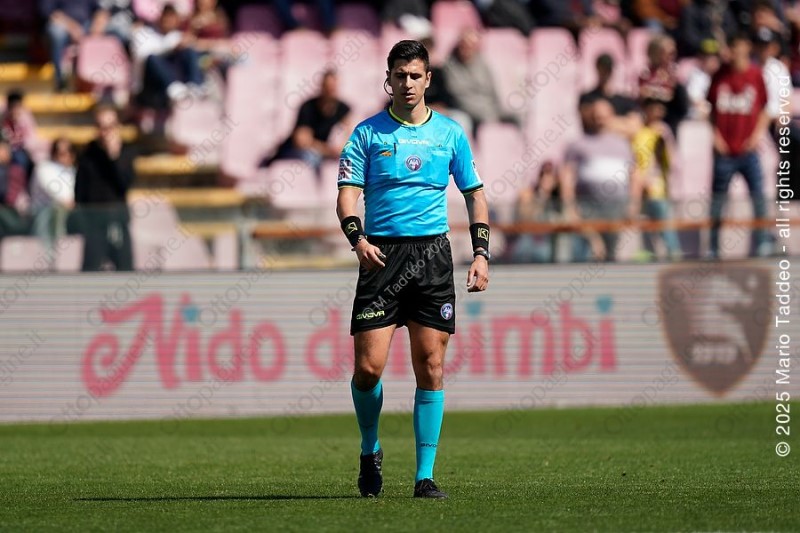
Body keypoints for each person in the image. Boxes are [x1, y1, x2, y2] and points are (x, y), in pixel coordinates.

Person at [336, 40, 490, 499]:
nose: (407, 83)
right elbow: (346, 195)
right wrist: (357, 239)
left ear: (428, 80)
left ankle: (425, 476)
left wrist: (481, 253)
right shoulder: (367, 133)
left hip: (432, 257)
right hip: (380, 256)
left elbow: (474, 194)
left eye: (415, 75)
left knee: (431, 365)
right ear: (389, 78)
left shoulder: (450, 133)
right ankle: (370, 447)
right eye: (400, 75)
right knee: (368, 369)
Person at [707, 32, 771, 258]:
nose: (734, 51)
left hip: (748, 150)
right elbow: (711, 110)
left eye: (739, 46)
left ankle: (763, 244)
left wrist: (755, 136)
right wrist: (715, 136)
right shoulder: (719, 76)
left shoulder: (756, 75)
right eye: (732, 46)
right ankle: (713, 248)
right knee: (717, 202)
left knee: (758, 198)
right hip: (724, 152)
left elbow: (764, 110)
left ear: (747, 47)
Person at [561, 95, 642, 262]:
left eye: (604, 116)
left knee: (612, 257)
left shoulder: (623, 145)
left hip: (616, 209)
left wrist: (634, 204)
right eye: (596, 116)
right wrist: (570, 206)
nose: (600, 120)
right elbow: (567, 176)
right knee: (588, 254)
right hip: (588, 209)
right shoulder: (578, 144)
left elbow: (635, 175)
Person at [74, 105, 135, 271]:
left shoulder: (126, 152)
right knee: (91, 269)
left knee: (125, 270)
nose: (106, 132)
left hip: (117, 220)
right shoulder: (88, 153)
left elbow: (125, 183)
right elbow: (80, 190)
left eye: (110, 126)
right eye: (101, 127)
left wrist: (113, 157)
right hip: (95, 223)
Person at [269, 70, 351, 174]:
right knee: (311, 157)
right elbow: (301, 141)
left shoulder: (343, 109)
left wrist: (341, 149)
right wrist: (328, 150)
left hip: (323, 152)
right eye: (328, 87)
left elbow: (350, 133)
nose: (330, 90)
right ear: (322, 87)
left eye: (333, 87)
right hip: (294, 151)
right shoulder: (308, 107)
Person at [443, 28, 521, 135]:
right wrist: (488, 113)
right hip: (470, 112)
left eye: (471, 45)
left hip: (490, 109)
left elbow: (492, 90)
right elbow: (460, 97)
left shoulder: (482, 62)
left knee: (517, 116)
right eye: (464, 45)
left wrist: (496, 110)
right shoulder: (450, 66)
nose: (467, 49)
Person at [631, 98, 683, 260]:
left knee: (665, 226)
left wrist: (663, 140)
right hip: (642, 189)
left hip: (658, 189)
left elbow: (670, 162)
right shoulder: (640, 133)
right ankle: (649, 255)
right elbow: (636, 160)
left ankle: (674, 255)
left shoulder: (663, 133)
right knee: (646, 227)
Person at [131, 3, 205, 108]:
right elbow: (142, 56)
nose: (169, 21)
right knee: (153, 59)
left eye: (172, 17)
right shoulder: (143, 33)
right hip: (149, 86)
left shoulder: (177, 36)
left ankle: (195, 85)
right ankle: (174, 87)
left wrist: (184, 44)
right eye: (166, 17)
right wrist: (171, 47)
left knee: (189, 50)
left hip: (177, 83)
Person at [30, 137, 77, 254]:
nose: (64, 155)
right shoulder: (44, 167)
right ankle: (50, 255)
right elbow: (53, 190)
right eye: (59, 152)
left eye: (68, 151)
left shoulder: (73, 170)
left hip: (70, 215)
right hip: (44, 215)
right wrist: (67, 202)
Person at [580, 54, 643, 139]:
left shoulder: (624, 100)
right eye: (602, 69)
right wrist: (623, 123)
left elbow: (635, 128)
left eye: (608, 69)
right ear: (597, 69)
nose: (605, 73)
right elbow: (591, 125)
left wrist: (609, 122)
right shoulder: (587, 98)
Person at [509, 161, 560, 263]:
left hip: (548, 243)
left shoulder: (557, 199)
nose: (547, 180)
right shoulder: (532, 195)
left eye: (551, 177)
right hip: (530, 241)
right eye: (544, 176)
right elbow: (525, 218)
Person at [0, 138, 31, 237]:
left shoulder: (16, 170)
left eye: (6, 150)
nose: (4, 153)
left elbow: (21, 191)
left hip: (14, 208)